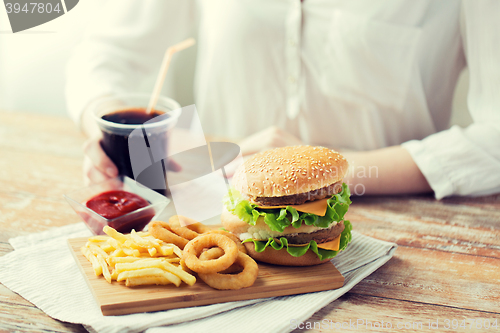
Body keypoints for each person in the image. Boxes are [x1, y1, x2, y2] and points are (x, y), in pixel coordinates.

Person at [66, 0, 500, 199]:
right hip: (212, 202)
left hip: (399, 219)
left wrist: (329, 174)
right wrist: (108, 134)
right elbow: (108, 53)